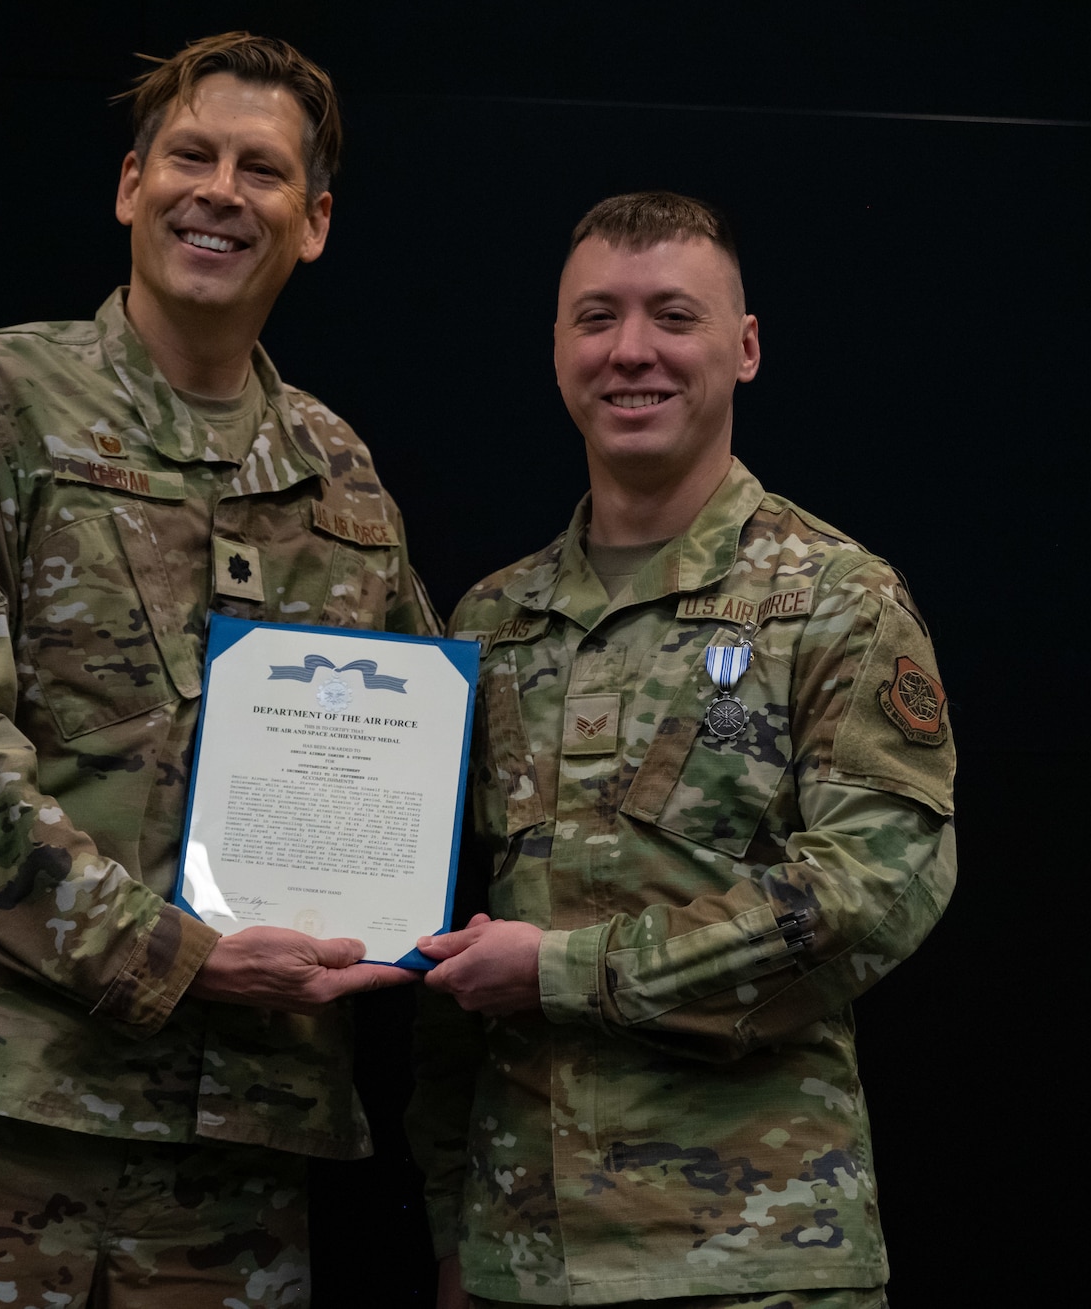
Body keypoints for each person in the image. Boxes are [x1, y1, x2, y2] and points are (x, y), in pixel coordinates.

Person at [0, 32, 434, 1309]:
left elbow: (414, 757)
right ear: (130, 184)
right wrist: (176, 958)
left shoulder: (339, 473)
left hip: (229, 1150)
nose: (219, 192)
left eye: (261, 170)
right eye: (190, 156)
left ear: (312, 224)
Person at [406, 192, 957, 1309]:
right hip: (521, 1254)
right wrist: (454, 1225)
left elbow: (875, 890)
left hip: (755, 1257)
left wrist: (565, 971)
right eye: (595, 317)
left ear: (744, 347)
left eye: (672, 315)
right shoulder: (488, 624)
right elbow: (446, 934)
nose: (630, 351)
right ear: (556, 350)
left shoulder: (835, 599)